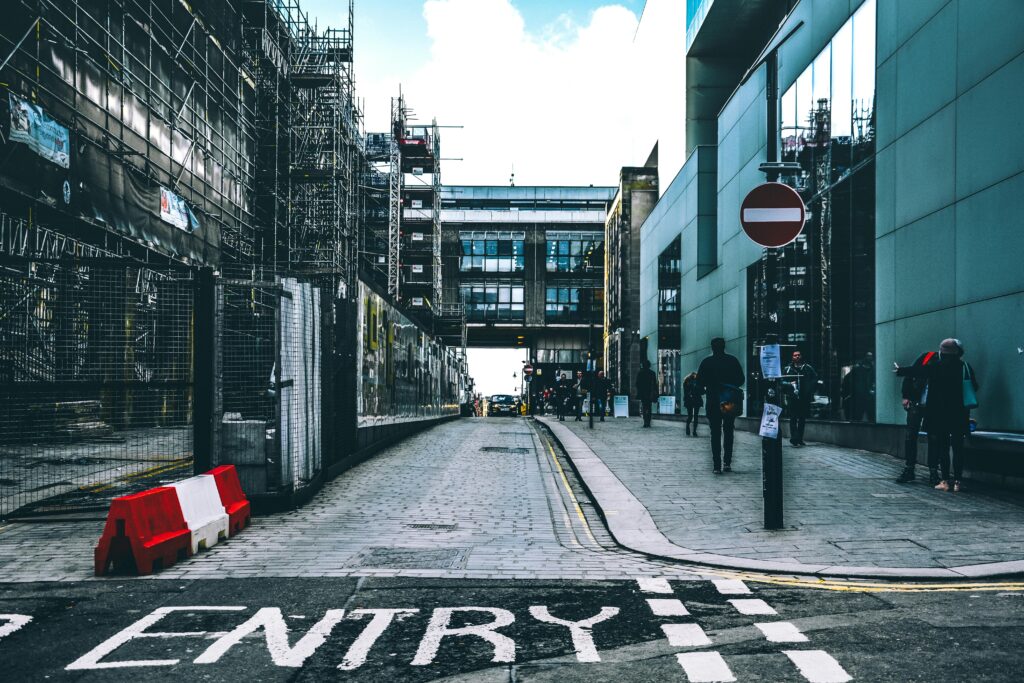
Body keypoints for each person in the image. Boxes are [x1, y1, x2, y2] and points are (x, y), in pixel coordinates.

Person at [895, 338, 978, 493]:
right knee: (958, 447)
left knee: (943, 446)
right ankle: (958, 482)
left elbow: (918, 371)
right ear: (959, 352)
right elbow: (975, 386)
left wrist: (901, 370)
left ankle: (945, 481)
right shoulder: (965, 367)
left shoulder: (936, 366)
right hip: (959, 414)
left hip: (940, 414)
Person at [697, 337, 745, 474]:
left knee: (715, 433)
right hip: (729, 400)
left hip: (713, 401)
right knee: (729, 430)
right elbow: (741, 379)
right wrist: (730, 385)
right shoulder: (732, 361)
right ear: (724, 347)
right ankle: (727, 462)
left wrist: (706, 388)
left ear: (712, 348)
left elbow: (699, 383)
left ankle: (716, 465)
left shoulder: (707, 362)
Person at [895, 349, 942, 484]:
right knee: (911, 436)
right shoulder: (927, 357)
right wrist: (906, 396)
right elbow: (911, 374)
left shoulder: (945, 364)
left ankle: (933, 471)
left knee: (933, 437)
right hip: (916, 402)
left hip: (933, 406)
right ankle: (909, 469)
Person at [783, 350, 818, 447]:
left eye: (798, 355)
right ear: (792, 357)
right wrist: (789, 385)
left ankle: (799, 438)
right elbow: (782, 381)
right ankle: (794, 438)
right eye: (795, 355)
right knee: (793, 418)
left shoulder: (808, 368)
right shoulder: (787, 369)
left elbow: (815, 379)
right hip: (792, 397)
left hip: (804, 398)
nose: (797, 357)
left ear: (801, 356)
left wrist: (809, 390)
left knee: (802, 418)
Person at [636, 360, 658, 427]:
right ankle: (648, 421)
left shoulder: (640, 373)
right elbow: (655, 384)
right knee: (649, 407)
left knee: (644, 407)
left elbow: (637, 383)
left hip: (643, 393)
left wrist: (639, 390)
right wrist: (656, 392)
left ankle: (645, 421)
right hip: (650, 393)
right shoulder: (652, 373)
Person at [683, 372, 702, 436]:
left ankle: (692, 430)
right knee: (693, 416)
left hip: (692, 400)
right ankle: (693, 430)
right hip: (693, 400)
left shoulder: (687, 382)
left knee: (691, 416)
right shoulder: (688, 382)